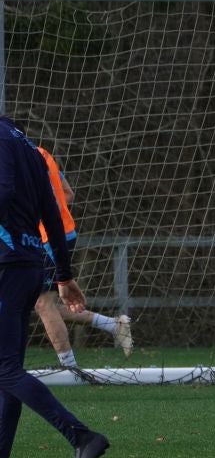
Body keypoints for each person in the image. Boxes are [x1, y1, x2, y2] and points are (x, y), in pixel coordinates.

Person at [0, 116, 109, 458]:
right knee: (7, 374)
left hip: (6, 264)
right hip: (30, 264)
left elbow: (3, 191)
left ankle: (81, 436)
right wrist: (64, 274)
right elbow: (53, 208)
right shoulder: (29, 146)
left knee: (3, 369)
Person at [33, 146, 133, 369]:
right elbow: (67, 193)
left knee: (42, 303)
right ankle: (113, 325)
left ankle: (71, 369)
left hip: (49, 237)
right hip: (55, 235)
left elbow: (54, 201)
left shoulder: (21, 158)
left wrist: (32, 221)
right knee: (36, 302)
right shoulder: (40, 153)